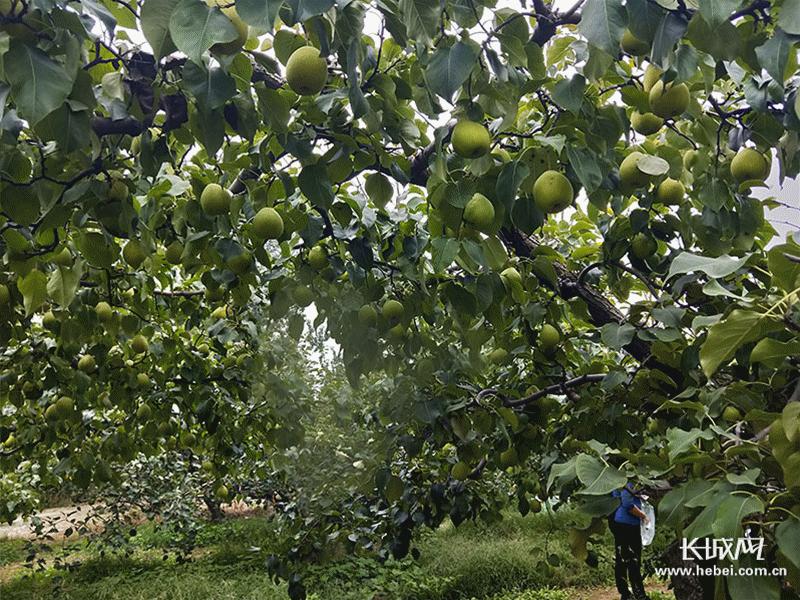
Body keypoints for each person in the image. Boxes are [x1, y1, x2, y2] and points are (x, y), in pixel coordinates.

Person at [610, 482, 649, 600]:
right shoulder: (627, 481)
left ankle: (625, 593)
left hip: (620, 523)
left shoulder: (617, 479)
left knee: (622, 559)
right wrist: (643, 516)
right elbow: (628, 505)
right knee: (633, 560)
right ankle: (638, 594)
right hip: (628, 524)